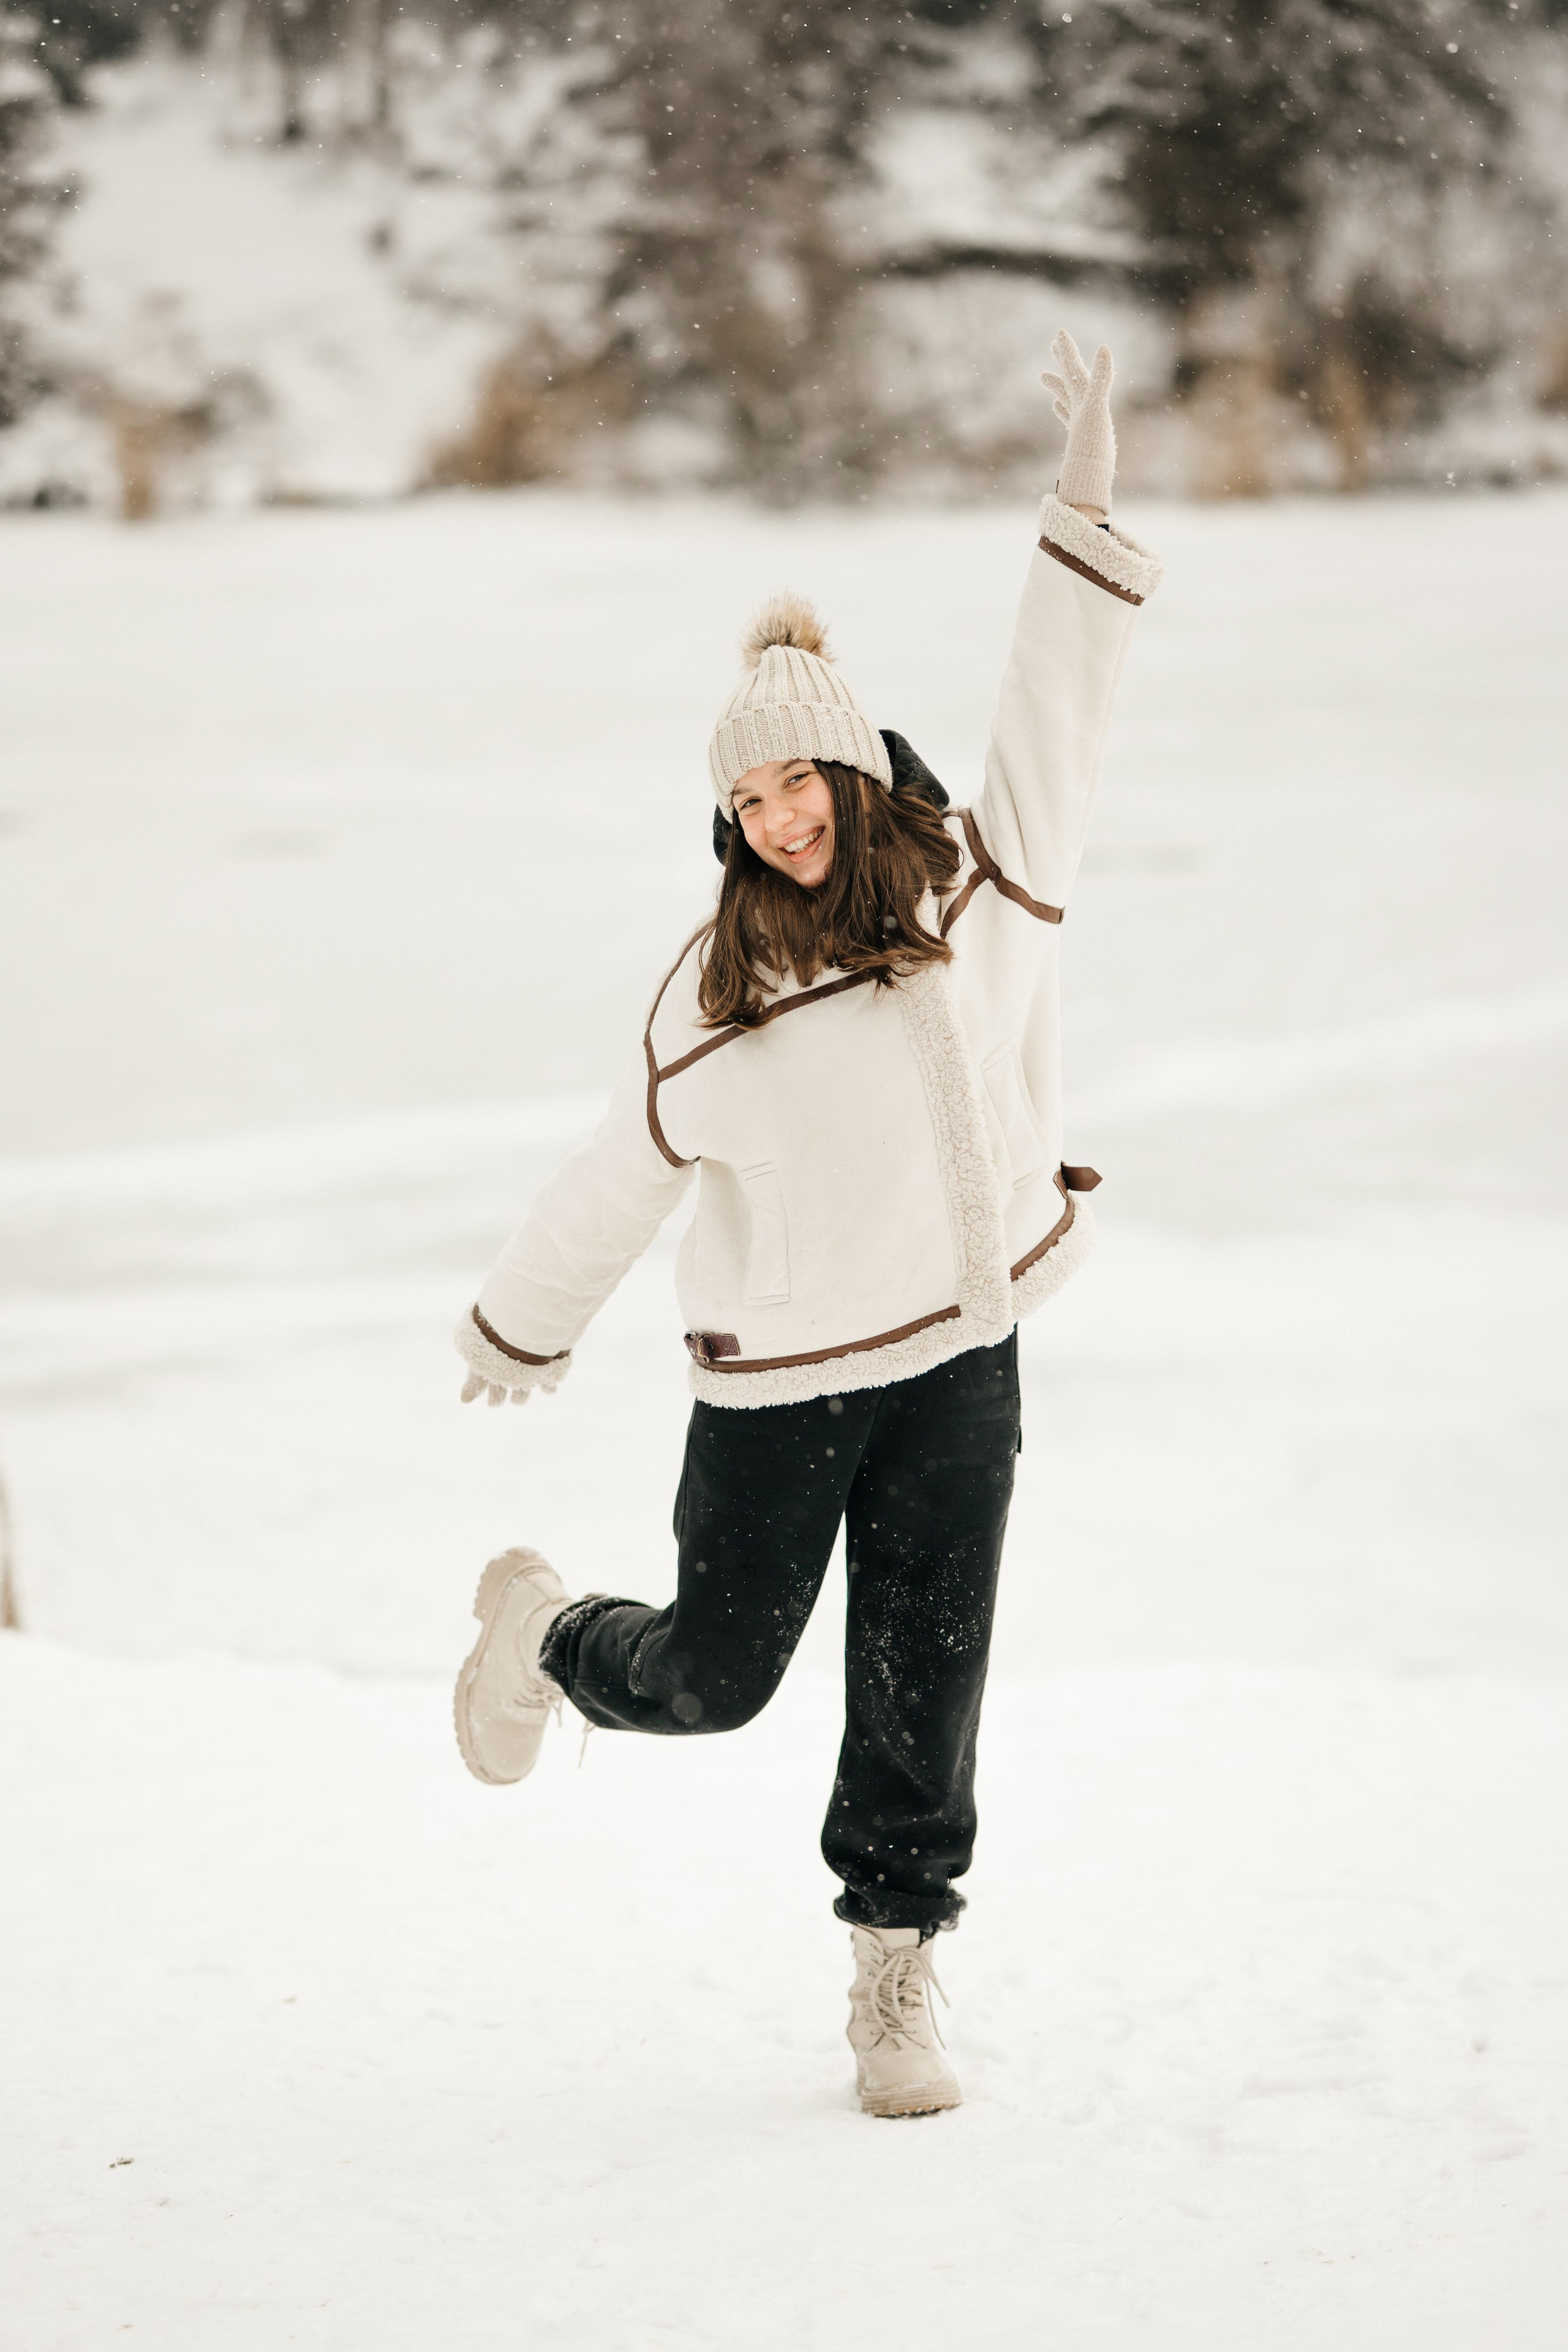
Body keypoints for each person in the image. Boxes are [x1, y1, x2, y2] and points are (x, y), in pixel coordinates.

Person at [450, 333, 1162, 2118]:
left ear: (850, 772)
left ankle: (896, 1975)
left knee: (926, 1690)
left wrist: (1082, 487)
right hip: (778, 1389)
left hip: (962, 1362)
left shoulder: (978, 891)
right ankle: (546, 1634)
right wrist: (523, 1324)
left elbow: (1057, 694)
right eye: (743, 800)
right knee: (707, 1684)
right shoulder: (719, 988)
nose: (772, 820)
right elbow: (625, 1166)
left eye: (795, 785)